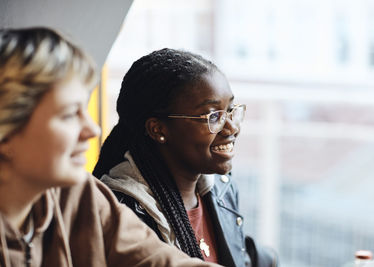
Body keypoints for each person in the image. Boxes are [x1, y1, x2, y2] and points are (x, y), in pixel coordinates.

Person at [0, 27, 223, 267]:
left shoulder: (76, 196)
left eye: (84, 109)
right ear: (6, 135)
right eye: (68, 115)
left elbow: (160, 260)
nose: (92, 130)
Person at [93, 48, 278, 267]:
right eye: (213, 116)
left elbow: (238, 254)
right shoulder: (121, 214)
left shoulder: (221, 189)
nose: (231, 127)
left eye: (230, 110)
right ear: (158, 129)